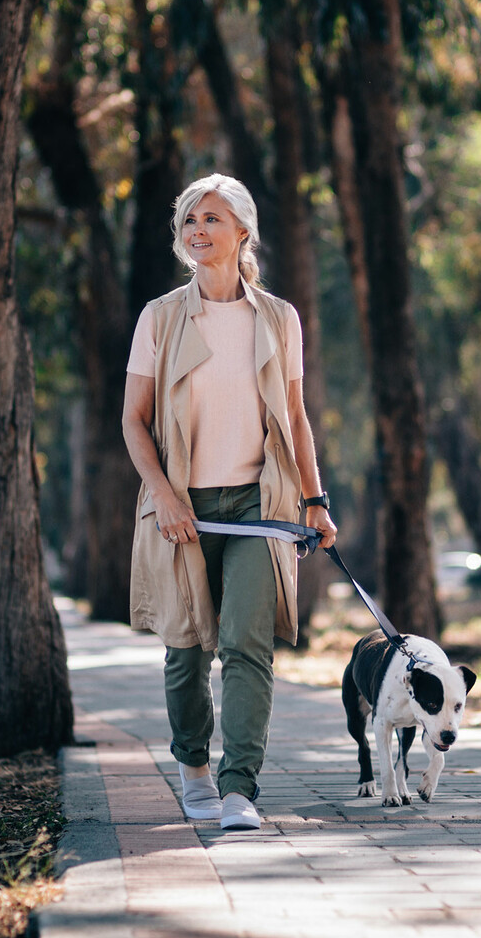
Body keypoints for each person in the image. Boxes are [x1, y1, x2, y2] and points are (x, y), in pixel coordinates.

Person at [121, 174, 336, 830]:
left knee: (248, 646)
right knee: (186, 648)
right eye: (188, 220)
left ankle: (239, 787)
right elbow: (133, 419)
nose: (197, 230)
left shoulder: (277, 318)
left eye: (211, 218)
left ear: (242, 230)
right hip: (181, 507)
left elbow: (295, 418)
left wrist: (315, 500)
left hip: (256, 505)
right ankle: (193, 769)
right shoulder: (160, 316)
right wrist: (164, 496)